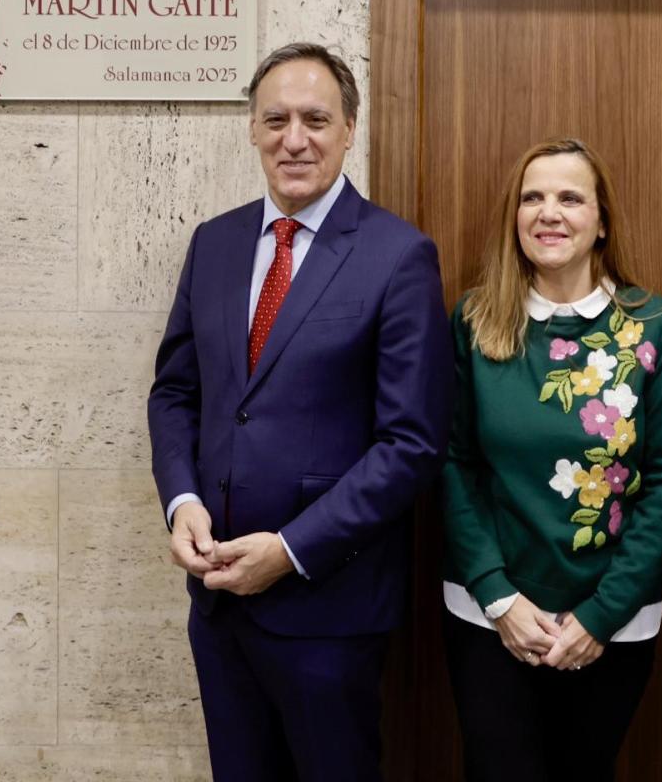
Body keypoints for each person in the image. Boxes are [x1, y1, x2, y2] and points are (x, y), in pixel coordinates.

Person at [146, 42, 451, 782]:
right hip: (219, 607)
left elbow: (411, 443)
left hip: (329, 610)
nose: (294, 139)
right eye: (276, 119)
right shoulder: (214, 244)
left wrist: (288, 550)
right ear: (252, 128)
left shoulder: (398, 255)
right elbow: (176, 392)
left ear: (349, 130)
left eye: (315, 120)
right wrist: (182, 501)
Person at [442, 137, 662, 781]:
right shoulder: (475, 320)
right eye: (532, 198)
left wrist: (601, 616)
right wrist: (498, 597)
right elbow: (454, 465)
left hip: (613, 619)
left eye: (570, 198)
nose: (548, 212)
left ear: (601, 221)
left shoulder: (654, 327)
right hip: (491, 613)